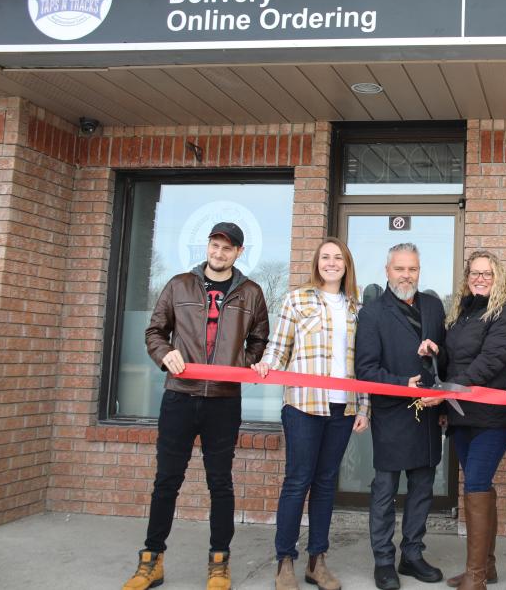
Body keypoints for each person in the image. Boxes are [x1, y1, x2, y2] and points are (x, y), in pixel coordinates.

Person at [124, 222, 270, 590]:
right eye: (214, 246)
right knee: (166, 482)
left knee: (220, 483)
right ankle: (151, 561)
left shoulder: (251, 292)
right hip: (179, 396)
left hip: (223, 401)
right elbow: (154, 331)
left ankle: (219, 563)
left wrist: (240, 364)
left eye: (227, 248)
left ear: (239, 252)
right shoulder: (178, 285)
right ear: (208, 247)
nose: (218, 253)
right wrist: (165, 354)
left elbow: (260, 339)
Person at [251, 238, 370, 590]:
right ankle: (285, 561)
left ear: (346, 265)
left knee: (324, 483)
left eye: (338, 258)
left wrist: (364, 405)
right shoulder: (297, 299)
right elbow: (279, 346)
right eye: (325, 258)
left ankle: (317, 561)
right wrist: (265, 366)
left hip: (343, 407)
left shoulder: (356, 308)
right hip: (303, 404)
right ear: (317, 263)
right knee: (297, 481)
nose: (331, 263)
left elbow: (361, 363)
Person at [420, 250, 506, 590]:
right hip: (462, 416)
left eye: (487, 273)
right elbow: (455, 360)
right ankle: (487, 567)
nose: (480, 278)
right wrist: (437, 351)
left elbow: (490, 361)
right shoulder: (463, 313)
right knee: (479, 485)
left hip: (493, 416)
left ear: (499, 277)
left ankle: (476, 577)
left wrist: (450, 390)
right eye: (474, 273)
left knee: (476, 483)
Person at [355, 243, 447, 590]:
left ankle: (411, 555)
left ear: (419, 271)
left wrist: (438, 354)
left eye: (412, 269)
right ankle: (383, 561)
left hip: (428, 415)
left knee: (422, 488)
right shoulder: (373, 313)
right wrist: (401, 384)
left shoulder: (435, 306)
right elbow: (365, 369)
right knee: (385, 490)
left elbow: (446, 355)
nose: (406, 275)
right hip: (393, 413)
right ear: (387, 270)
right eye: (400, 269)